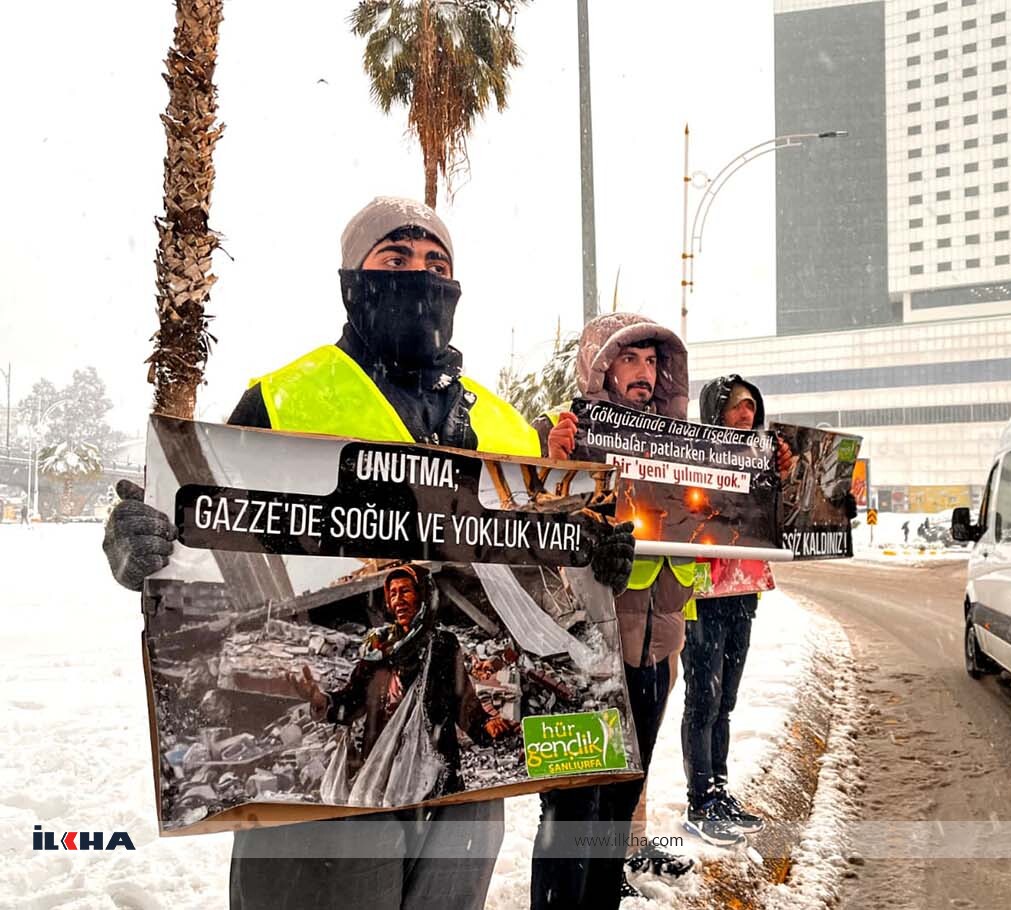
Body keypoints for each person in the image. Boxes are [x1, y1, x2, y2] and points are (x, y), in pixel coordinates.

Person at [102, 196, 637, 910]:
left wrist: (593, 558)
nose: (419, 276)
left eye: (435, 264)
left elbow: (540, 570)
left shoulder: (503, 421)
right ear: (353, 280)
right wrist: (143, 547)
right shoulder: (282, 400)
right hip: (320, 792)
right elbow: (205, 541)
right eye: (395, 259)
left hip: (468, 777)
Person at [531, 312, 695, 907]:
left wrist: (766, 468)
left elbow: (732, 517)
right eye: (629, 359)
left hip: (654, 652)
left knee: (620, 804)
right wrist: (554, 465)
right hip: (582, 654)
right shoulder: (562, 429)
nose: (644, 373)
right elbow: (526, 522)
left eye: (653, 362)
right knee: (573, 809)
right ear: (600, 364)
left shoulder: (685, 446)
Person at [290, 566, 511, 799]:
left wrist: (485, 724)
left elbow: (461, 698)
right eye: (393, 593)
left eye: (405, 591)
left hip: (431, 764)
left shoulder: (442, 645)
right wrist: (321, 700)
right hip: (383, 766)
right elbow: (354, 699)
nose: (398, 600)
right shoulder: (378, 648)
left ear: (423, 595)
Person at [680, 375, 788, 846]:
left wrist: (786, 466)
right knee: (702, 697)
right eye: (737, 406)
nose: (746, 415)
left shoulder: (763, 463)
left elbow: (786, 511)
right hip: (702, 593)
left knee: (726, 700)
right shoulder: (691, 456)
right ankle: (699, 799)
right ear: (716, 412)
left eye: (752, 407)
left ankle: (720, 790)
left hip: (743, 590)